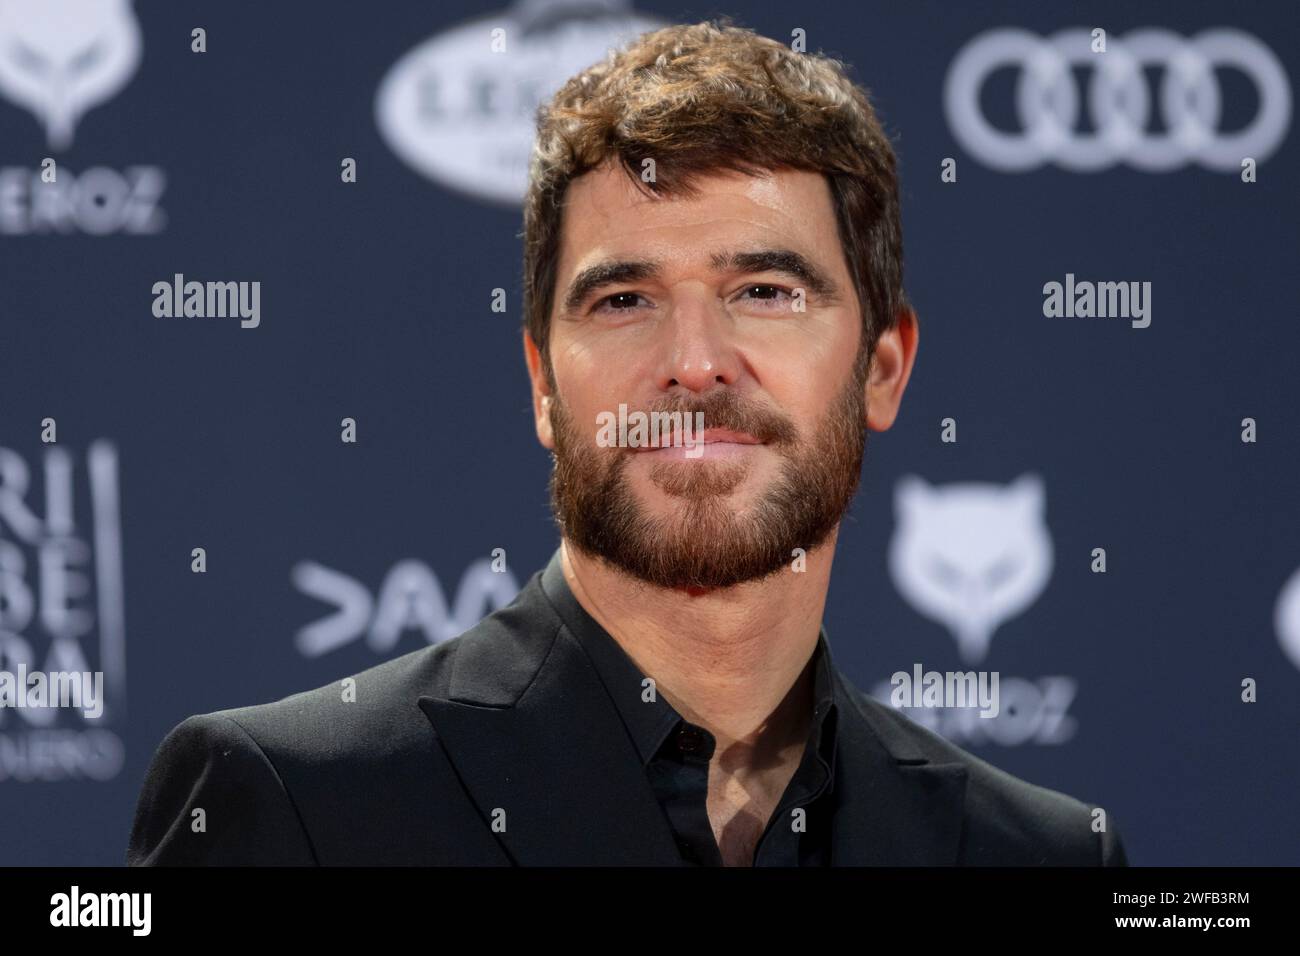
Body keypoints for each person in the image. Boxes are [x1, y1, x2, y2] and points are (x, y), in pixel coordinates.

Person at [126, 19, 1127, 866]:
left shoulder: (1040, 854)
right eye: (623, 299)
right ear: (543, 386)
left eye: (764, 292)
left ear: (882, 365)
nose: (694, 362)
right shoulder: (291, 804)